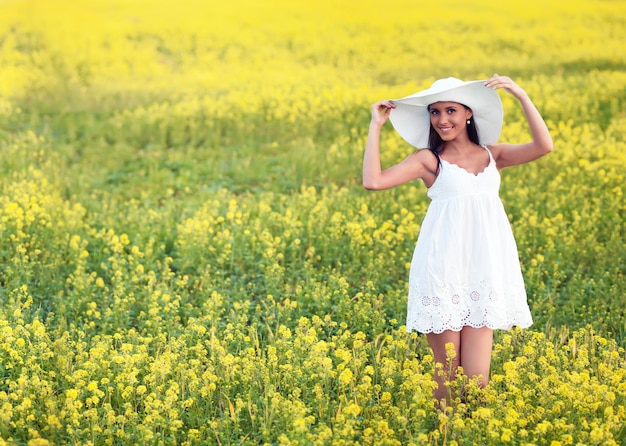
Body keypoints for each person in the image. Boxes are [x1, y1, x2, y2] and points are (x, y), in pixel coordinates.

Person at [362, 74, 553, 407]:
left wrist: (521, 95)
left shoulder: (493, 155)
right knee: (447, 380)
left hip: (483, 274)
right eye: (434, 112)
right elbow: (374, 181)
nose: (442, 120)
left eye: (450, 110)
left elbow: (544, 146)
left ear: (468, 114)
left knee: (478, 385)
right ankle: (444, 434)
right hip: (443, 273)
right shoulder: (428, 160)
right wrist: (376, 126)